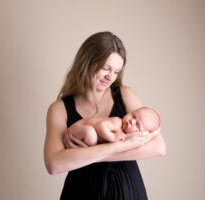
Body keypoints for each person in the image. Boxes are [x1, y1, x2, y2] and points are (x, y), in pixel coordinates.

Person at [44, 31, 166, 200]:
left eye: (116, 71)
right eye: (106, 68)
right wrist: (119, 146)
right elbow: (54, 164)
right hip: (81, 192)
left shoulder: (125, 94)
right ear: (86, 63)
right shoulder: (59, 109)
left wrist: (89, 155)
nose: (110, 77)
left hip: (127, 191)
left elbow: (159, 147)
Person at [67, 107, 161, 147]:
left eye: (137, 124)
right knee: (91, 133)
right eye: (133, 116)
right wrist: (112, 137)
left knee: (92, 137)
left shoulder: (125, 135)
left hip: (79, 137)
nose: (132, 121)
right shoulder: (118, 122)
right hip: (78, 128)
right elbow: (100, 126)